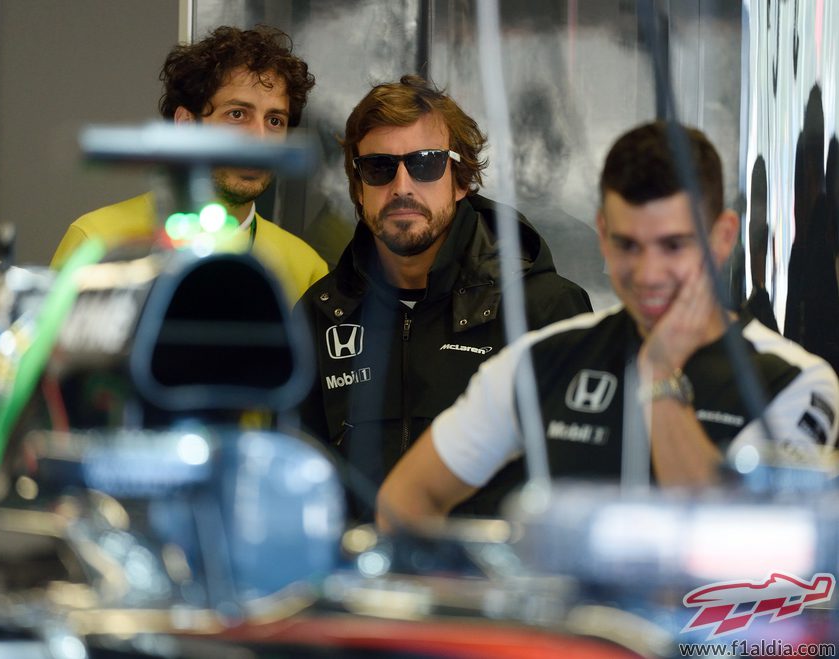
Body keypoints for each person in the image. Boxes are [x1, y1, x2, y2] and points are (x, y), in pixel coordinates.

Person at [376, 121, 839, 531]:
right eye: (628, 245)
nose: (649, 273)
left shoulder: (796, 383)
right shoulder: (543, 359)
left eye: (673, 245)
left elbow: (725, 548)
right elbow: (405, 500)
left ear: (722, 238)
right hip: (563, 629)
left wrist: (658, 375)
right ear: (602, 233)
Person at [297, 75, 592, 519]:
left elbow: (579, 487)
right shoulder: (319, 313)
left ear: (461, 180)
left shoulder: (544, 309)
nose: (401, 187)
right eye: (379, 168)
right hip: (361, 580)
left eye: (426, 163)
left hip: (491, 580)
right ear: (358, 187)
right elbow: (298, 482)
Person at [51, 25, 327, 305]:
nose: (259, 137)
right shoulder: (97, 242)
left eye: (275, 120)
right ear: (185, 124)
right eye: (237, 114)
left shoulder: (307, 269)